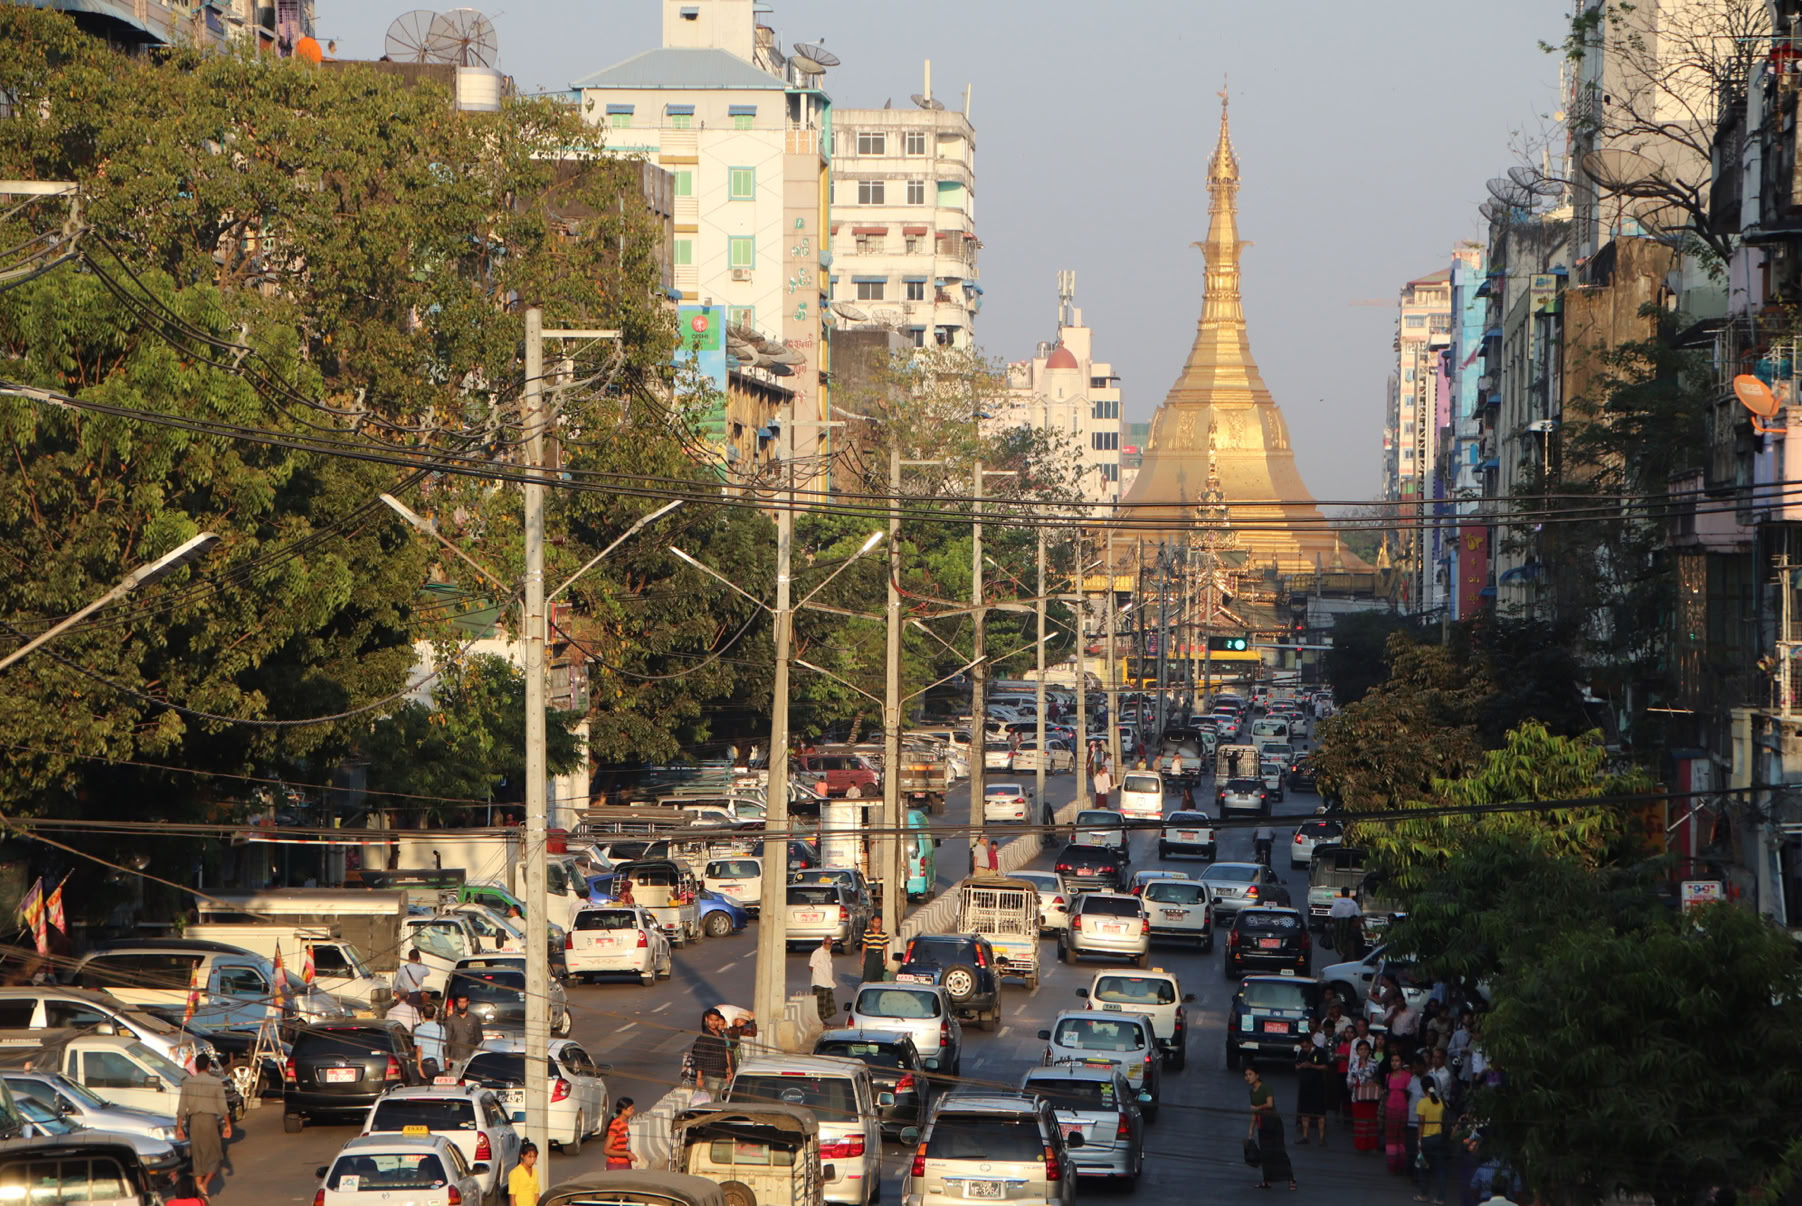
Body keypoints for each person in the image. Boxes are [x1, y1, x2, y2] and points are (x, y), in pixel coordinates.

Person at [175, 1052, 231, 1200]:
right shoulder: (216, 1083)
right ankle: (204, 1184)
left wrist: (179, 1128)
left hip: (194, 1122)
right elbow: (222, 1107)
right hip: (209, 1121)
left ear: (196, 1067)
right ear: (208, 1066)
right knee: (215, 1155)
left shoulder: (188, 1083)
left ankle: (199, 1194)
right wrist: (228, 1125)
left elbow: (181, 1108)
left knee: (197, 1157)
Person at [1244, 1065, 1296, 1190]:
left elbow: (1269, 1104)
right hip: (1262, 1124)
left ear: (1257, 1075)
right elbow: (1254, 1113)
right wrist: (1251, 1129)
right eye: (1246, 1075)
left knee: (1279, 1151)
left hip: (1273, 1122)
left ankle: (1291, 1179)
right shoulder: (1251, 1092)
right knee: (1265, 1153)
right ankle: (1267, 1180)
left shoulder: (1266, 1087)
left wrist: (1257, 1108)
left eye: (1250, 1074)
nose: (1247, 1077)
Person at [1414, 1077, 1449, 1203]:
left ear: (1423, 1089)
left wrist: (1419, 1142)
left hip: (1426, 1139)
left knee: (1423, 1169)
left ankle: (1423, 1195)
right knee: (1440, 1169)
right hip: (1438, 1138)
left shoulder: (1422, 1103)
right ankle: (1441, 1198)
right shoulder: (1440, 1102)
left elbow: (1421, 1125)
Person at [1294, 1028, 1330, 1146]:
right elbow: (1297, 1065)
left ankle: (1322, 1138)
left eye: (1306, 1046)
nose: (1304, 1048)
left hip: (1318, 1086)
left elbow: (1325, 1067)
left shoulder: (1321, 1052)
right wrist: (1300, 1067)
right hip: (1304, 1086)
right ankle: (1305, 1136)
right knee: (1305, 1112)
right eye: (1302, 1046)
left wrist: (1311, 1066)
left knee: (1320, 1113)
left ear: (1311, 1043)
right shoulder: (1301, 1053)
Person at [688, 1008, 734, 1093]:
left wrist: (729, 1070)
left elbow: (725, 1053)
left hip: (722, 1074)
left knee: (721, 1101)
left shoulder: (720, 1034)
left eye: (716, 1020)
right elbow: (699, 1058)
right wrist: (699, 1078)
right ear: (707, 1019)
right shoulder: (704, 1038)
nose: (714, 1023)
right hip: (710, 1075)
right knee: (711, 1101)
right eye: (711, 1020)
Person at [1347, 1039, 1381, 1152]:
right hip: (1357, 1094)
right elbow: (1350, 1076)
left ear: (1369, 1051)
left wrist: (1364, 1062)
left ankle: (1372, 1145)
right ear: (1357, 1051)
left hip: (1370, 1096)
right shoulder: (1353, 1062)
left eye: (1366, 1049)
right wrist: (1349, 1083)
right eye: (1361, 1049)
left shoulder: (1374, 1063)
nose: (1363, 1051)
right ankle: (1361, 1146)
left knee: (1371, 1121)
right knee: (1359, 1121)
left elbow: (1369, 1073)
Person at [1384, 1051, 1412, 1174]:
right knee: (1390, 1136)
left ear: (1402, 1063)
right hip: (1390, 1108)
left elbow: (1409, 1093)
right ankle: (1392, 1163)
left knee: (1401, 1136)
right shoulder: (1388, 1076)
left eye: (1397, 1061)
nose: (1394, 1063)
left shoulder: (1407, 1076)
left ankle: (1400, 1163)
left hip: (1403, 1109)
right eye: (1392, 1061)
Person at [444, 992, 484, 1068]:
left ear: (468, 1003)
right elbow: (447, 1040)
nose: (462, 1005)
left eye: (464, 1002)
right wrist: (446, 1058)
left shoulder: (474, 1019)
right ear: (457, 1003)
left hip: (470, 1059)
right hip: (454, 1058)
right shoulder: (451, 1019)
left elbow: (479, 1040)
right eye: (460, 1002)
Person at [809, 935, 837, 1024]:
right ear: (822, 943)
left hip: (827, 982)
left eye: (829, 944)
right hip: (819, 982)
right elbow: (811, 966)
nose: (827, 946)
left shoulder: (828, 953)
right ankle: (819, 1022)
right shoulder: (817, 952)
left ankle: (822, 1021)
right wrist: (818, 976)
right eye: (826, 944)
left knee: (827, 1005)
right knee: (819, 1004)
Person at [414, 1002, 446, 1079]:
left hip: (425, 1066)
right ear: (435, 1014)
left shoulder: (418, 1030)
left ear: (423, 1014)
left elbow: (419, 1050)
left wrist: (419, 1067)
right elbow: (443, 1046)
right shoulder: (441, 1029)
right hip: (439, 1065)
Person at [1328, 888, 1362, 957]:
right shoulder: (1353, 903)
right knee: (1348, 939)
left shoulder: (1337, 902)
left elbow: (1332, 915)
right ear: (1349, 893)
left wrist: (1329, 926)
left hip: (1339, 923)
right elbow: (1359, 915)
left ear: (1341, 893)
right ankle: (1347, 952)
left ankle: (1341, 953)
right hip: (1349, 924)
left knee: (1338, 939)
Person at [605, 1099, 637, 1170]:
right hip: (616, 1165)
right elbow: (606, 1150)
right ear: (623, 1110)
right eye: (631, 1109)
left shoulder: (624, 1124)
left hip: (625, 1164)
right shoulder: (616, 1125)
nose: (633, 1111)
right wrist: (626, 1154)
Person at [861, 914, 890, 984]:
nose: (877, 924)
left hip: (879, 955)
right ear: (872, 922)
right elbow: (864, 945)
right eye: (875, 922)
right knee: (868, 972)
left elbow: (885, 946)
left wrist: (886, 958)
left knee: (878, 973)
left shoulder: (884, 933)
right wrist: (862, 957)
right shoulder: (867, 932)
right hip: (870, 955)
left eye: (878, 922)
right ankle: (865, 988)